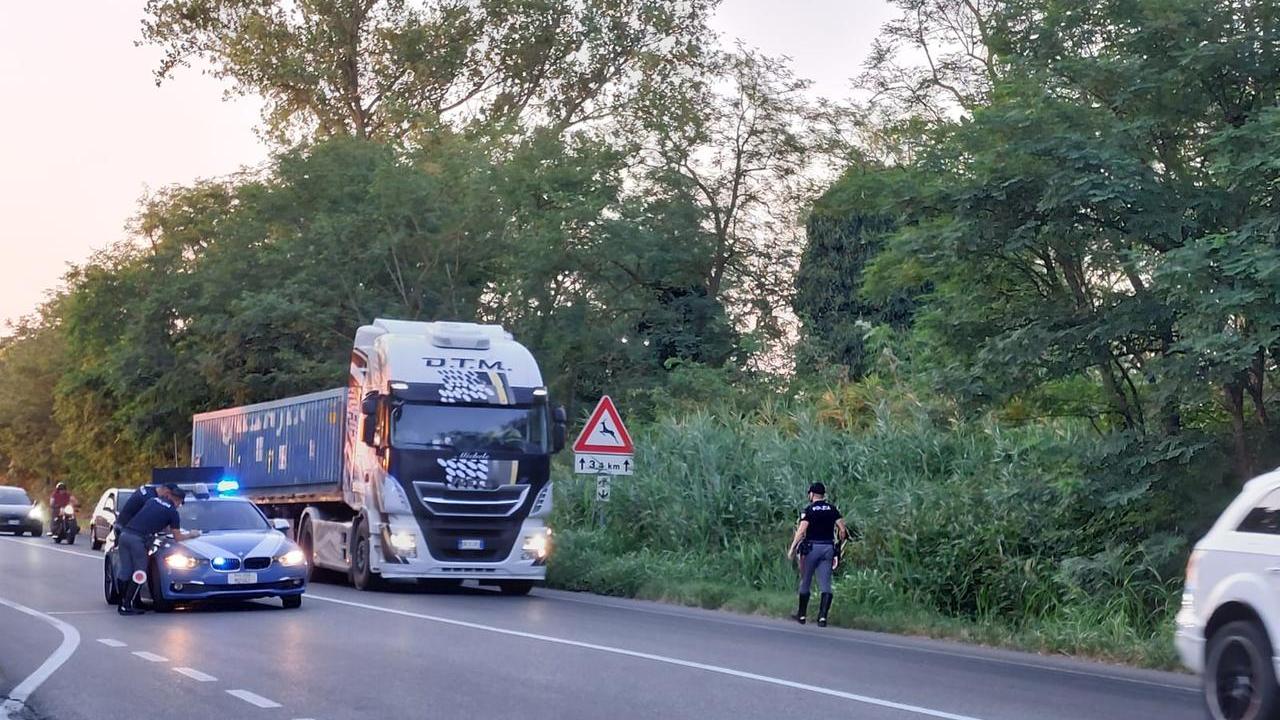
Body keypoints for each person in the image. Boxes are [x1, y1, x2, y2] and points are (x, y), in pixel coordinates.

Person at [115, 487, 199, 615]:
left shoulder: (153, 501)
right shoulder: (172, 512)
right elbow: (178, 537)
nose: (179, 506)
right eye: (180, 503)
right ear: (178, 500)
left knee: (125, 571)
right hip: (138, 540)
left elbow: (151, 520)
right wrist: (191, 535)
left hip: (125, 535)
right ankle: (127, 604)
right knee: (140, 572)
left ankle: (121, 604)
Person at [786, 482, 849, 627]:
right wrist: (839, 544)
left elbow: (801, 531)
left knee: (806, 581)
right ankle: (822, 617)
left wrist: (792, 548)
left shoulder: (809, 510)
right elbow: (842, 530)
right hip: (828, 548)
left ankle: (801, 615)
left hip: (812, 548)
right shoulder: (832, 509)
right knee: (825, 583)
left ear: (812, 494)